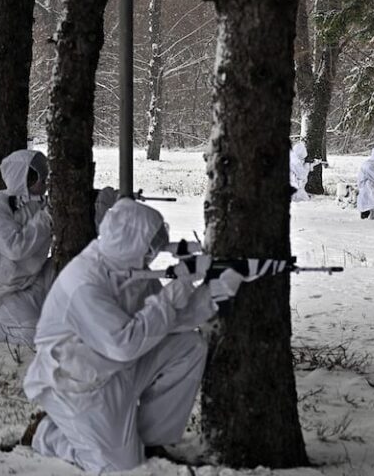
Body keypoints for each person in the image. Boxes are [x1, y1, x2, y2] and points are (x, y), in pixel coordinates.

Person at [22, 198, 244, 472]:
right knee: (118, 468)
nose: (153, 255)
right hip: (79, 385)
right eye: (150, 248)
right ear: (130, 242)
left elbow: (168, 320)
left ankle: (152, 441)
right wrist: (181, 285)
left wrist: (214, 292)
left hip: (117, 367)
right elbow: (124, 343)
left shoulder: (130, 269)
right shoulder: (84, 282)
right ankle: (47, 434)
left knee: (188, 346)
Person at [0, 149, 55, 345]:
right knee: (32, 337)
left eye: (45, 176)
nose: (43, 182)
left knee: (70, 270)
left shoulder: (39, 204)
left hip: (33, 279)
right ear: (22, 177)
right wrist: (46, 218)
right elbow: (15, 249)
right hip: (4, 292)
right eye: (37, 177)